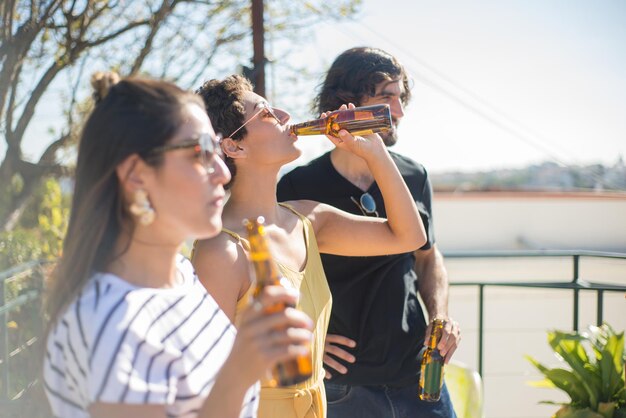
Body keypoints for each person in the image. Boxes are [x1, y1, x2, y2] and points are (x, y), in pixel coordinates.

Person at [43, 72, 313, 418]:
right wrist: (239, 372)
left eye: (217, 150)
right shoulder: (110, 321)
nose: (223, 172)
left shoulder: (184, 275)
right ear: (137, 175)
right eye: (200, 152)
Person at [192, 74, 426, 418]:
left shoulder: (308, 219)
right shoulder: (220, 252)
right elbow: (207, 377)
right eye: (268, 114)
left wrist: (375, 152)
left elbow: (408, 237)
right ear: (233, 146)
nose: (286, 115)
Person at [277, 47, 461, 418]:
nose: (399, 112)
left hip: (418, 374)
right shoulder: (297, 185)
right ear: (347, 103)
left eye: (401, 97)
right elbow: (275, 279)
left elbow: (428, 256)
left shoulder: (414, 175)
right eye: (386, 97)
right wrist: (305, 338)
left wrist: (439, 316)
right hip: (342, 385)